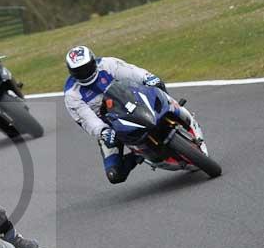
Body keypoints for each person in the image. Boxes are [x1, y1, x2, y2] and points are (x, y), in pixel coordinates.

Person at [63, 45, 203, 184]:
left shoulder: (107, 64)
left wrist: (147, 77)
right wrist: (103, 131)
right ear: (72, 72)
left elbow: (132, 72)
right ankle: (139, 154)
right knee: (115, 175)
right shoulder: (72, 94)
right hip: (111, 125)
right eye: (79, 71)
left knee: (157, 85)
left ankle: (175, 109)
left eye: (86, 67)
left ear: (93, 61)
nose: (84, 73)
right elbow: (87, 119)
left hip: (133, 102)